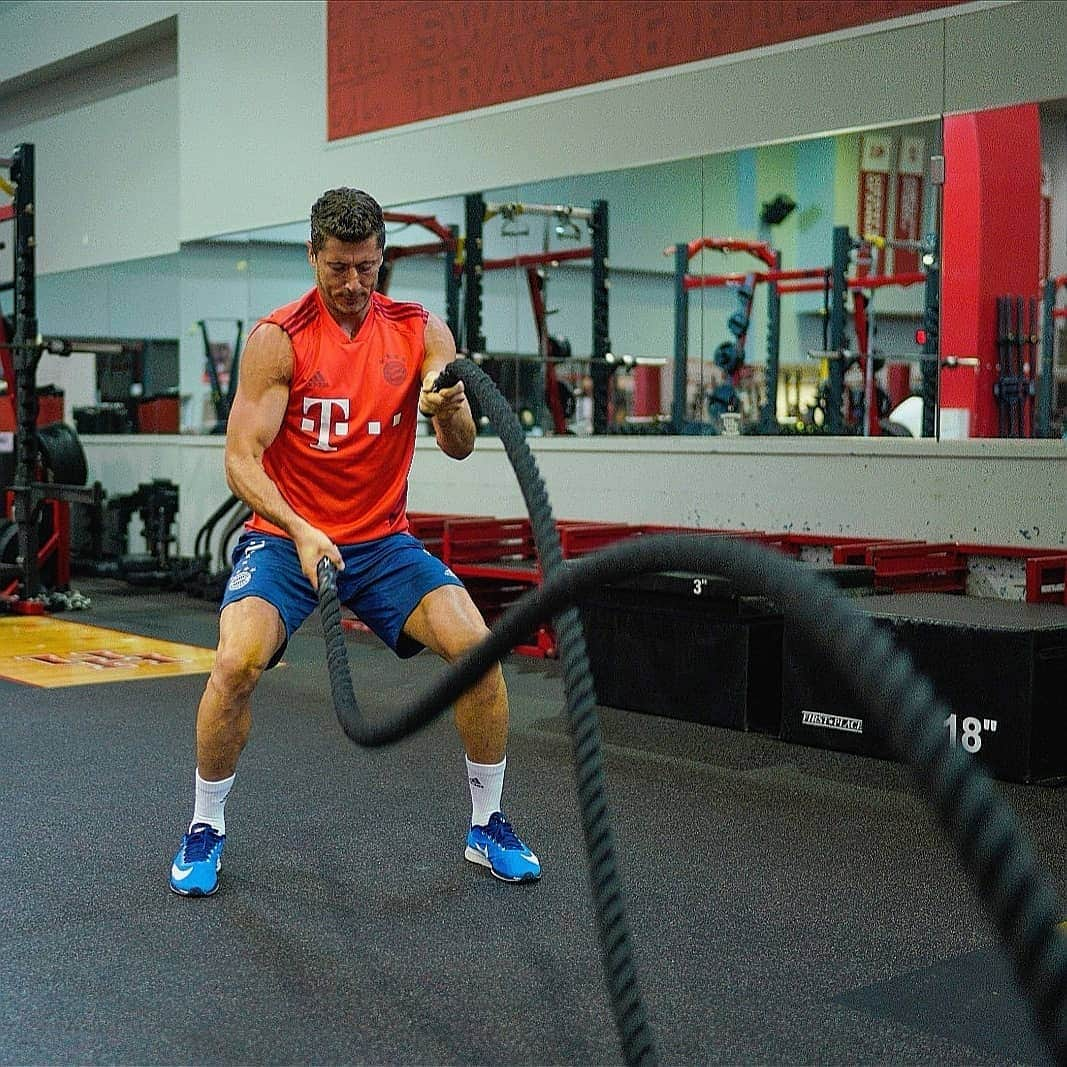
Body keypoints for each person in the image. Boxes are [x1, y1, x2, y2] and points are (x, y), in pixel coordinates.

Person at [169, 188, 541, 897]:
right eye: (337, 267)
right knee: (235, 663)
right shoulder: (278, 338)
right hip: (285, 539)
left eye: (366, 267)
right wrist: (302, 529)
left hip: (381, 543)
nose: (351, 284)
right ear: (313, 255)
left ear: (382, 258)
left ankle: (486, 823)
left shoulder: (420, 332)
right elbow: (241, 459)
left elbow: (458, 447)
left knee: (480, 651)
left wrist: (450, 405)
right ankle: (205, 824)